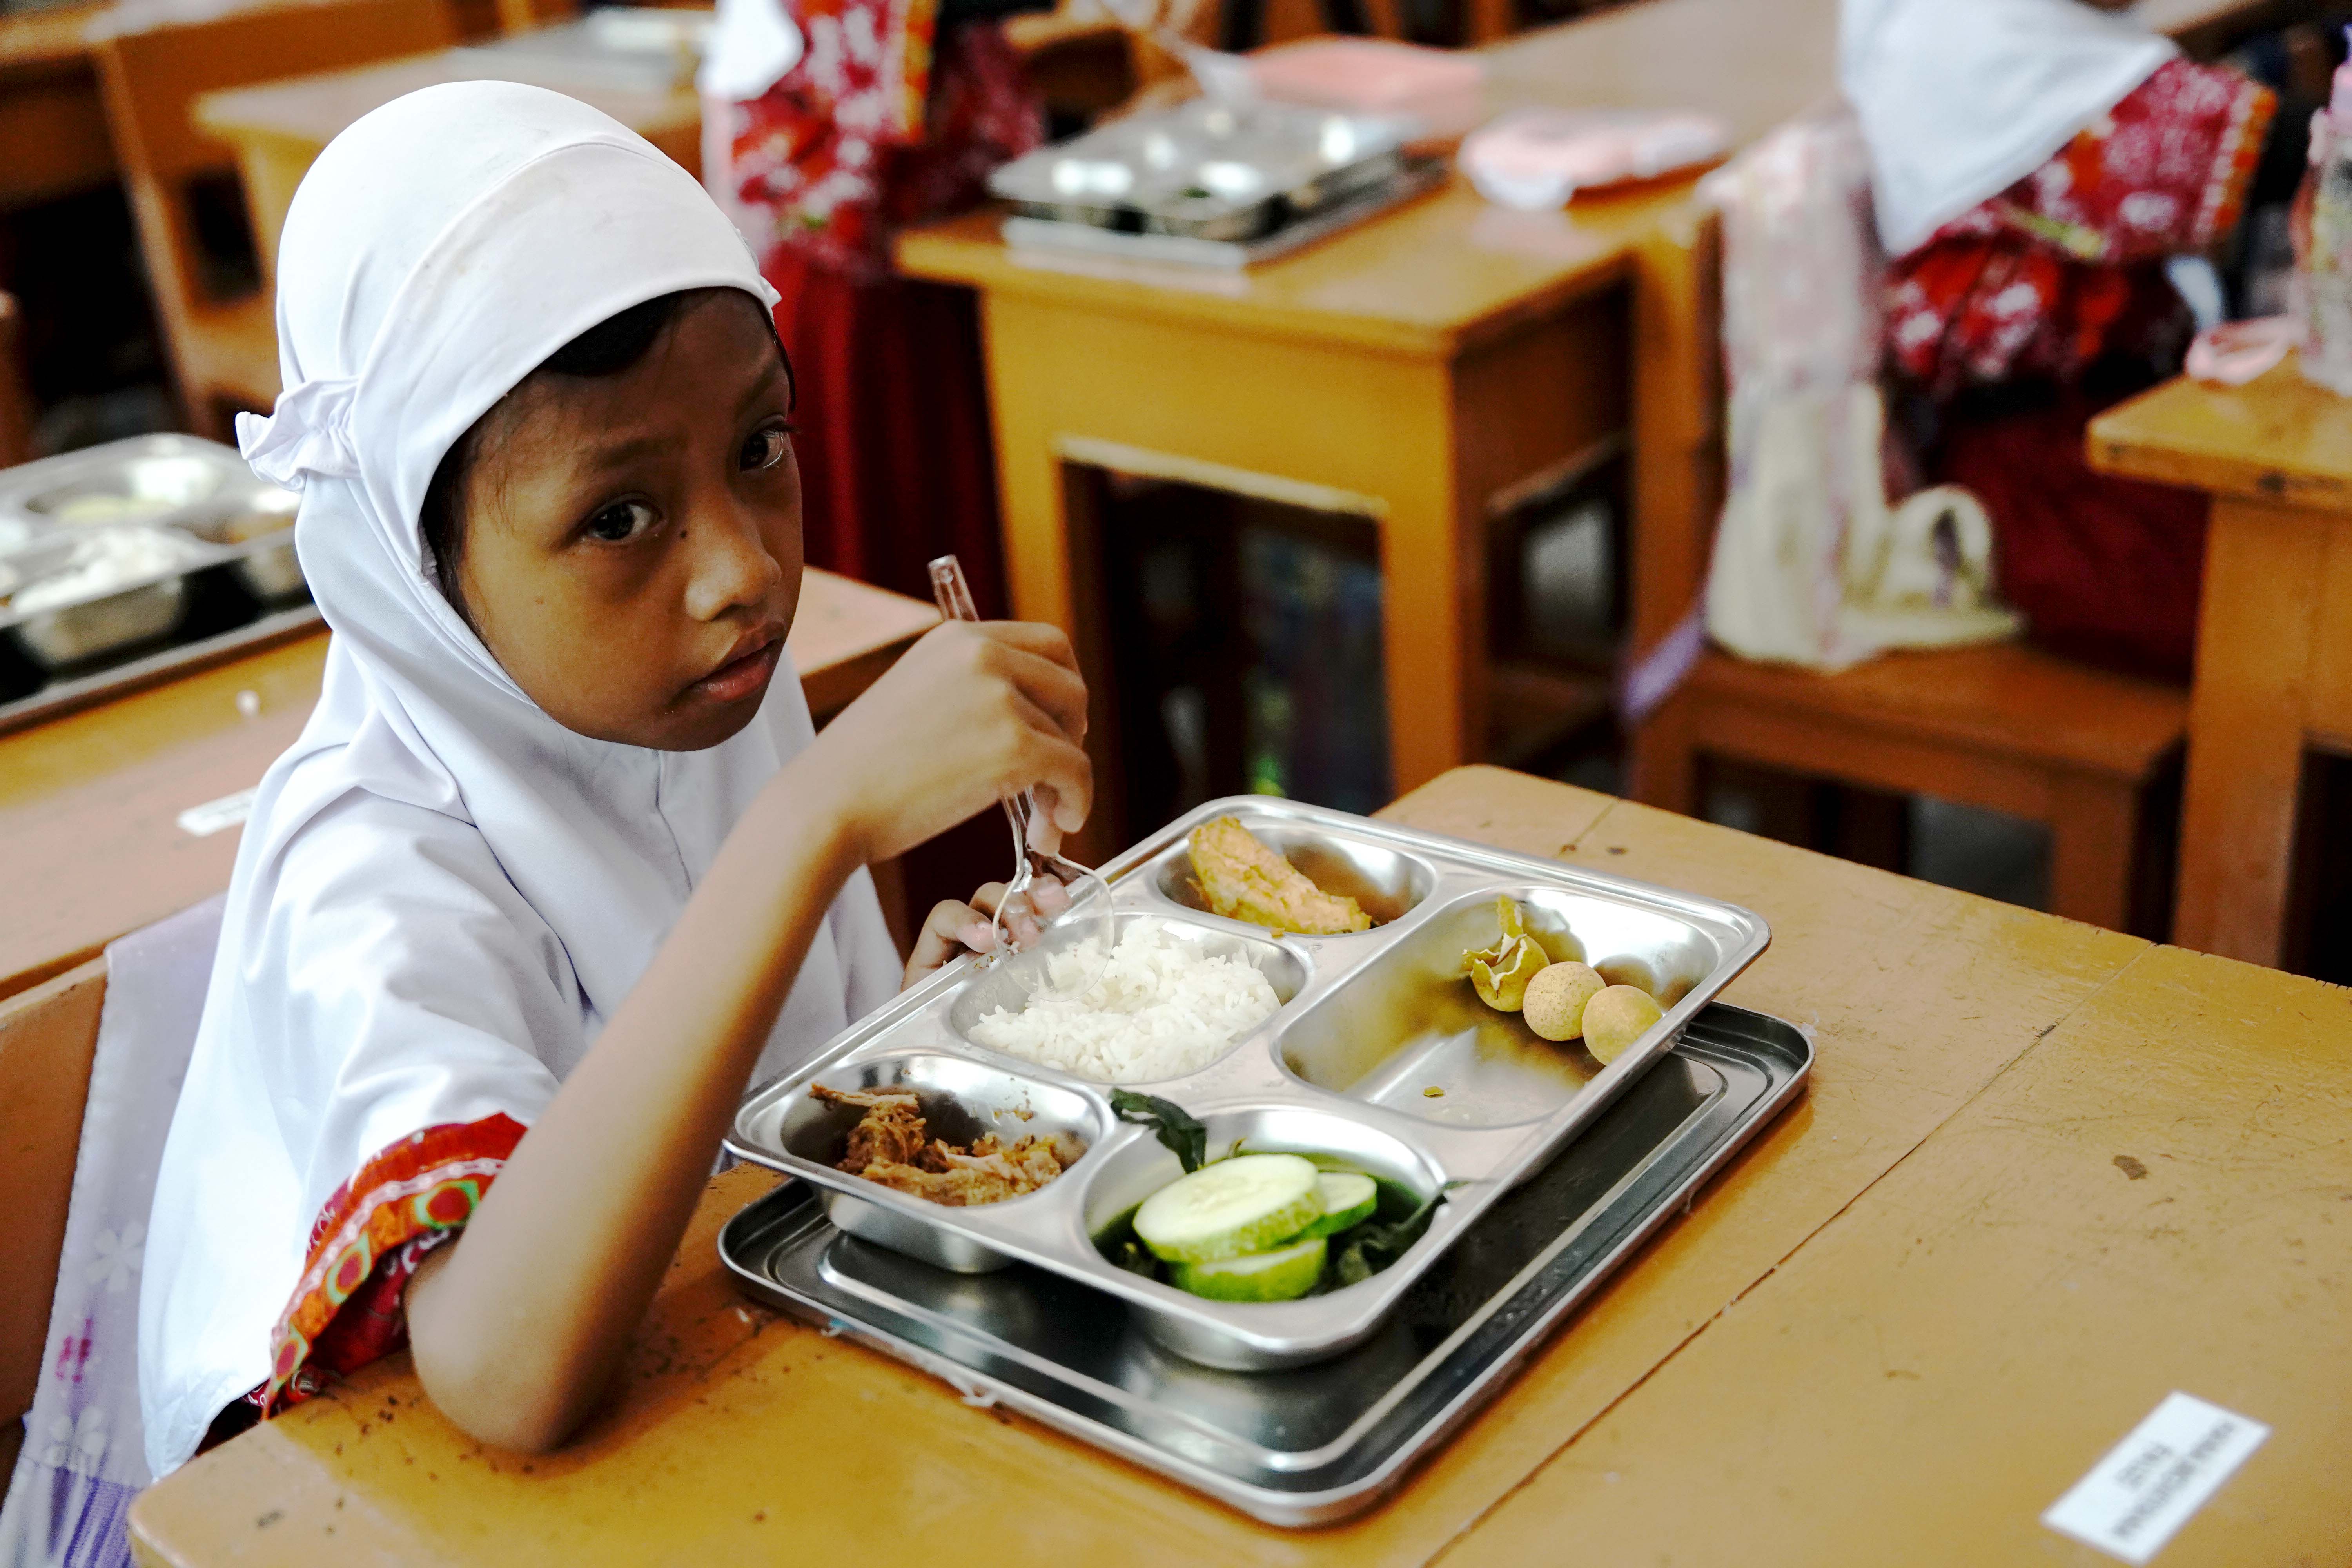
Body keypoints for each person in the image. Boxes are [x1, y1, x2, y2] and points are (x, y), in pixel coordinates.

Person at [136, 81, 1091, 1476]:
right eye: (618, 515)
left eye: (761, 448)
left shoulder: (687, 690)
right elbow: (499, 1375)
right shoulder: (374, 862)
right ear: (416, 566)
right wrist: (813, 829)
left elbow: (745, 1100)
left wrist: (915, 1025)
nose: (743, 569)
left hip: (733, 1400)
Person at [1843, 0, 2276, 680]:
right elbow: (2232, 149)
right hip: (2047, 489)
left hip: (2118, 435)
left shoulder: (2043, 38)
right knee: (2289, 618)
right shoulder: (1982, 47)